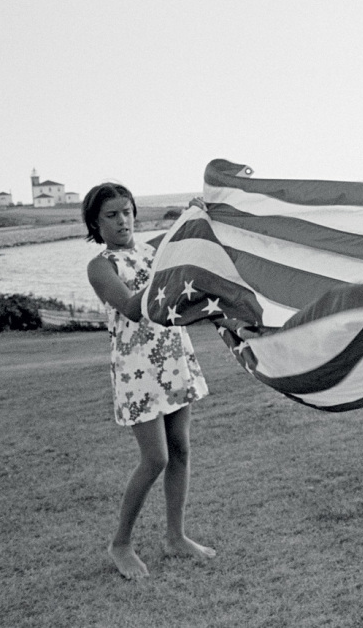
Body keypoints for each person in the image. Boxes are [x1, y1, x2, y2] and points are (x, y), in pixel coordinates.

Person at [84, 183, 215, 580]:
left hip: (173, 356)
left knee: (181, 450)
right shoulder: (101, 265)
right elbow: (129, 306)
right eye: (112, 215)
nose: (123, 220)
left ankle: (176, 536)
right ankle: (120, 543)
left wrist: (195, 216)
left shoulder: (152, 250)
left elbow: (183, 239)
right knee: (155, 457)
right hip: (137, 368)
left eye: (127, 211)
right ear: (95, 222)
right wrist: (169, 274)